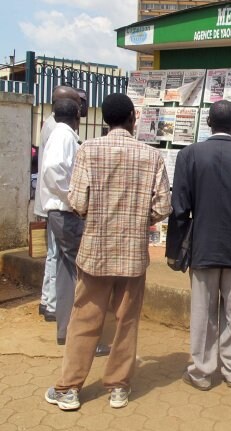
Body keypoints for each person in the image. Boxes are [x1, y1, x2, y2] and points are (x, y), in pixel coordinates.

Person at [44, 93, 171, 411]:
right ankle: (118, 387)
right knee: (126, 321)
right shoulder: (151, 156)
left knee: (84, 319)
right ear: (132, 118)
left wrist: (95, 214)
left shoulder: (88, 149)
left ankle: (70, 388)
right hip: (132, 254)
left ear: (104, 120)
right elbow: (162, 206)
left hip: (94, 251)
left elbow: (78, 201)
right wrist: (141, 219)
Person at [166, 100, 231, 391]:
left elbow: (180, 207)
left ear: (208, 123)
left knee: (203, 313)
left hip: (203, 247)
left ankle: (201, 372)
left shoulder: (189, 155)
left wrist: (178, 249)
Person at [38, 98, 83, 346]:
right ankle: (84, 336)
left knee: (67, 273)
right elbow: (54, 169)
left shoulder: (61, 134)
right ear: (76, 116)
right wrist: (73, 197)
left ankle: (66, 331)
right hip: (66, 212)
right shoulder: (64, 136)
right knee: (84, 274)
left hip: (60, 212)